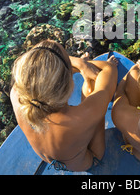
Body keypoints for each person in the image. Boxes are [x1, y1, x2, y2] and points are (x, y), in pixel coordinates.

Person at [10, 39, 118, 171]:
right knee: (90, 88)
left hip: (52, 158)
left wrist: (78, 64)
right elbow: (108, 69)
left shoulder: (15, 94)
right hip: (88, 160)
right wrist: (84, 65)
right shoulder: (79, 118)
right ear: (68, 83)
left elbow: (37, 75)